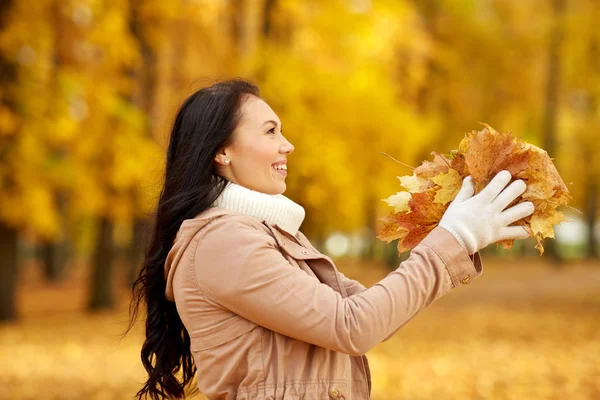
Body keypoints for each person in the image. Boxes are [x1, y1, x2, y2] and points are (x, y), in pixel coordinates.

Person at [126, 78, 534, 400]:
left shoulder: (257, 235)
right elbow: (352, 326)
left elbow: (369, 313)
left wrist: (457, 235)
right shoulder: (222, 243)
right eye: (270, 132)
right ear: (222, 152)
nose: (288, 145)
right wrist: (454, 238)